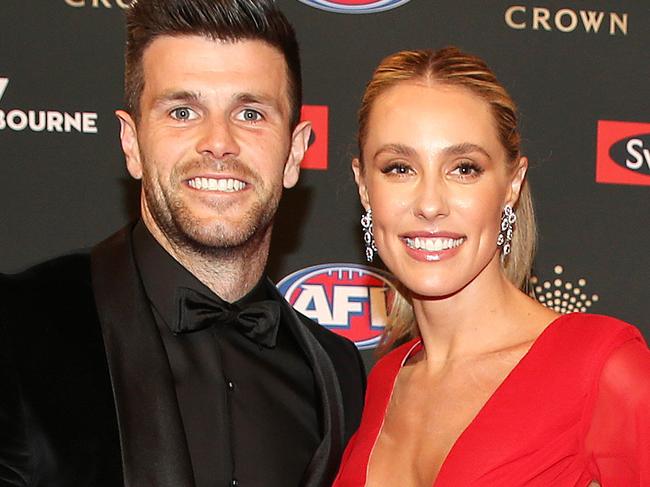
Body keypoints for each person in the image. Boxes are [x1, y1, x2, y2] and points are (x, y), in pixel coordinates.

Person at [0, 1, 366, 486]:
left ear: (295, 152)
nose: (218, 142)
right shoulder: (17, 326)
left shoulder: (338, 373)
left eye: (251, 112)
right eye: (183, 111)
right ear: (131, 143)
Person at [333, 47, 650, 486]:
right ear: (364, 188)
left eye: (463, 168)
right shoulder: (385, 381)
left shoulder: (600, 367)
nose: (429, 204)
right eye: (399, 168)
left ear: (511, 185)